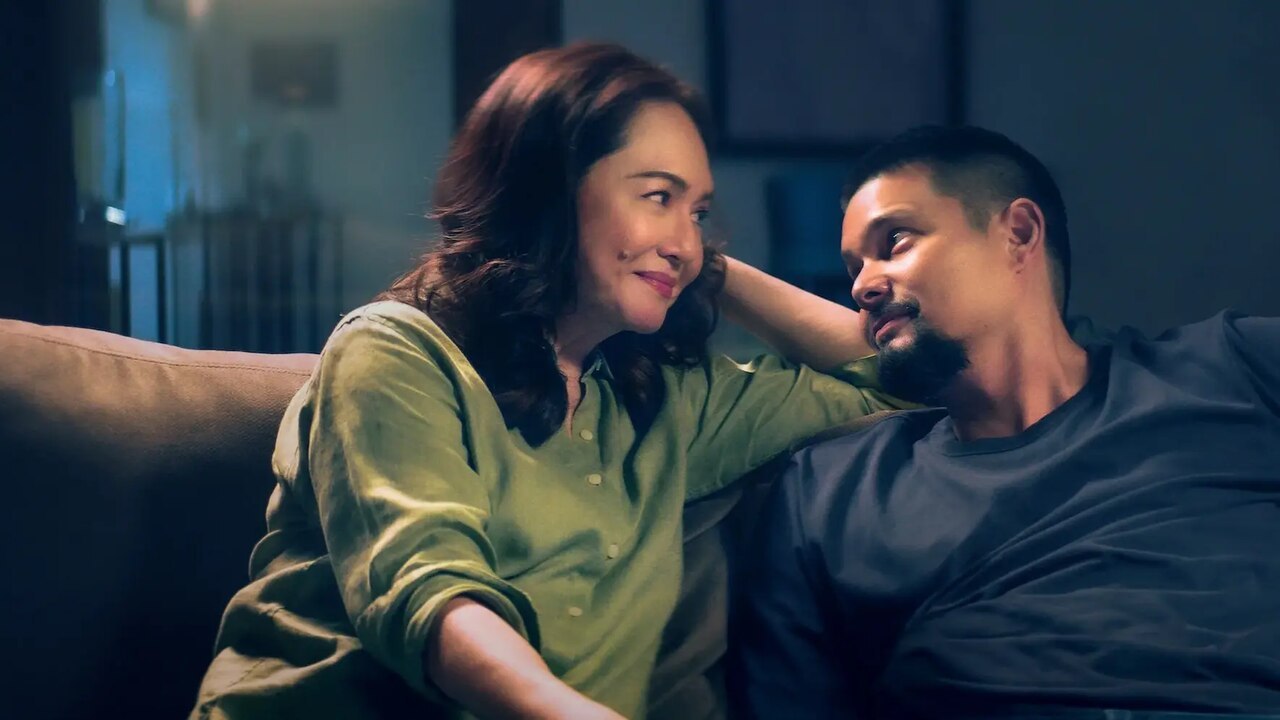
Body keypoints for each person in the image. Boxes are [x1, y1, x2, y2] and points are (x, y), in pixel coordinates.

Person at [190, 42, 905, 720]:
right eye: (658, 196)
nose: (687, 240)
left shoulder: (663, 404)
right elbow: (431, 597)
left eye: (699, 213)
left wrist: (701, 267)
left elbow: (894, 376)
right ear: (551, 191)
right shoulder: (391, 352)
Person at [731, 125, 1280, 719]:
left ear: (1018, 234)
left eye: (895, 242)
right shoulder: (831, 492)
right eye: (854, 268)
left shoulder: (1232, 367)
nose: (861, 285)